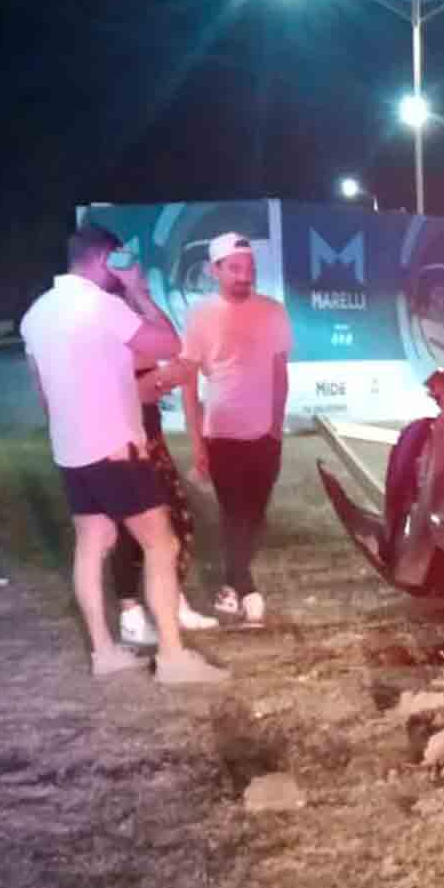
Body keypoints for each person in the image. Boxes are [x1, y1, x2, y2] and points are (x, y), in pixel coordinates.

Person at [19, 226, 229, 684]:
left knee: (91, 545)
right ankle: (173, 658)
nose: (123, 269)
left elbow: (43, 393)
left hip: (71, 451)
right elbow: (170, 344)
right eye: (120, 260)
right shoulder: (103, 305)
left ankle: (104, 652)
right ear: (105, 259)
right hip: (116, 446)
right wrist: (137, 290)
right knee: (162, 543)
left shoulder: (35, 315)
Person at [179, 232, 292, 627]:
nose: (245, 276)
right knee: (233, 513)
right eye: (235, 268)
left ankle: (235, 584)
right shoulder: (200, 315)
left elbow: (280, 372)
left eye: (250, 269)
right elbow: (189, 382)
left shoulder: (273, 311)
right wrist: (197, 443)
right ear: (215, 271)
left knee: (256, 515)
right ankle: (242, 588)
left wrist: (277, 426)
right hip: (222, 432)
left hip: (266, 434)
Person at [112, 349, 217, 646]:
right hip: (124, 444)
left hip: (146, 440)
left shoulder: (122, 332)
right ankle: (133, 615)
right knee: (129, 529)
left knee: (175, 523)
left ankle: (170, 602)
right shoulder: (107, 340)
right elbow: (165, 340)